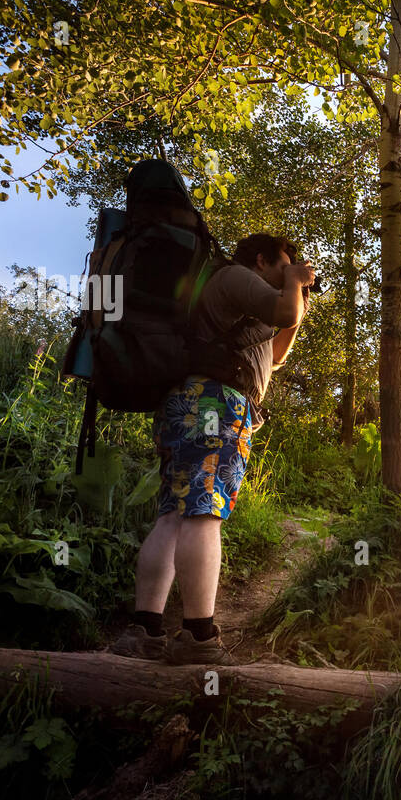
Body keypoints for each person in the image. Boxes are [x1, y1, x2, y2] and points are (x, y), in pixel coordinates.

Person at [110, 234, 316, 663]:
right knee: (204, 511)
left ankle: (144, 630)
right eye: (283, 265)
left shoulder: (239, 302)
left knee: (175, 513)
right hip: (212, 404)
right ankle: (199, 637)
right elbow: (282, 308)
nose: (287, 273)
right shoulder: (236, 277)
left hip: (194, 402)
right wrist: (294, 285)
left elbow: (274, 356)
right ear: (261, 262)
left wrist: (295, 303)